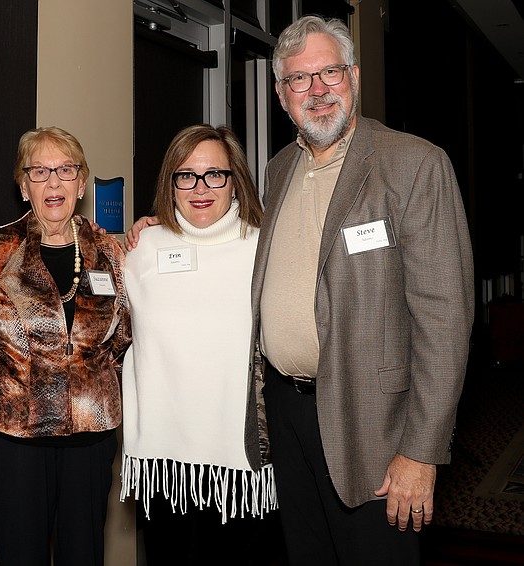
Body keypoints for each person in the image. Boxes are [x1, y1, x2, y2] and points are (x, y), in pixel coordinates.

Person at [127, 15, 474, 566]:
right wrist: (155, 226)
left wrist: (421, 452)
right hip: (285, 418)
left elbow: (445, 321)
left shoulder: (413, 164)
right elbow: (222, 238)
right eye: (299, 79)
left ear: (354, 76)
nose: (316, 90)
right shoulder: (280, 168)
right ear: (281, 95)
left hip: (371, 425)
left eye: (328, 72)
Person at [0, 126, 131, 566]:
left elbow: (125, 335)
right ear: (23, 186)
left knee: (84, 554)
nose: (53, 182)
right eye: (39, 171)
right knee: (22, 555)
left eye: (65, 170)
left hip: (89, 437)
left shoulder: (109, 252)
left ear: (81, 184)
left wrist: (87, 377)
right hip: (13, 437)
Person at [118, 124, 276, 565]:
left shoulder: (264, 249)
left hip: (239, 457)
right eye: (185, 175)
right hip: (164, 461)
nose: (200, 188)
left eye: (214, 175)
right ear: (170, 184)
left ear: (235, 181)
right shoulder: (142, 248)